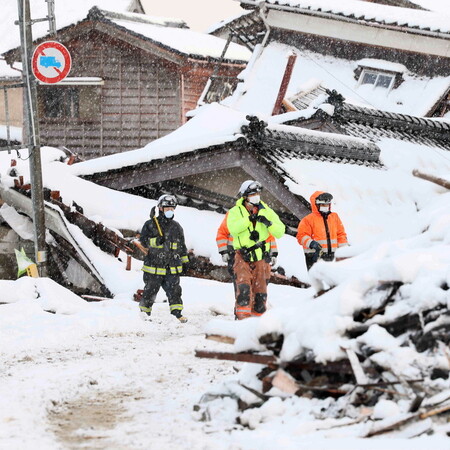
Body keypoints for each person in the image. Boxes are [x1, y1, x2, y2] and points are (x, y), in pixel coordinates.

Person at [227, 180, 285, 320]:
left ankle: (257, 322)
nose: (256, 196)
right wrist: (249, 219)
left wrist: (268, 223)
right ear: (245, 196)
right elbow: (233, 230)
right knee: (244, 290)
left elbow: (280, 231)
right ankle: (242, 321)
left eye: (258, 193)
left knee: (260, 294)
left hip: (261, 257)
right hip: (243, 256)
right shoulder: (235, 212)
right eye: (253, 194)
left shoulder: (267, 211)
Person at [139, 194, 189, 323]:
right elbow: (144, 242)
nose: (170, 211)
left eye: (172, 208)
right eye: (167, 208)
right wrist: (156, 241)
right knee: (150, 291)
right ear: (160, 208)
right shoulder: (150, 224)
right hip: (154, 267)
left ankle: (177, 314)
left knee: (175, 291)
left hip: (172, 267)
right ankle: (144, 314)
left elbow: (182, 246)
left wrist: (185, 262)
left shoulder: (176, 227)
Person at [216, 212, 279, 316]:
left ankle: (253, 319)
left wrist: (273, 253)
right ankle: (242, 318)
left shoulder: (261, 216)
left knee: (258, 293)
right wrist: (224, 251)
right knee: (243, 291)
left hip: (259, 258)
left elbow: (269, 237)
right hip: (238, 256)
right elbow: (222, 233)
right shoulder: (234, 214)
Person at [296, 191, 348, 270]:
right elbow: (301, 236)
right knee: (318, 281)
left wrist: (344, 250)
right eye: (323, 204)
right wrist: (311, 243)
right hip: (315, 256)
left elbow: (341, 234)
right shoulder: (308, 220)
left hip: (333, 256)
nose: (326, 206)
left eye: (327, 204)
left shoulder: (334, 217)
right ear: (316, 204)